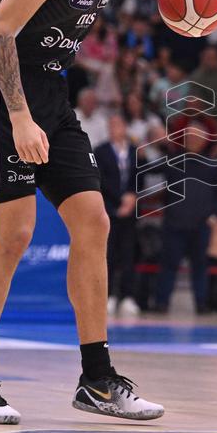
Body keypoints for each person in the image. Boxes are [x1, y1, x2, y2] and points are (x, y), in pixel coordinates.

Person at [0, 0, 214, 424]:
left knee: (94, 222)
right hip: (5, 89)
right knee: (14, 235)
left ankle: (97, 379)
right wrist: (20, 117)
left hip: (51, 89)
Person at [151, 121, 217, 314]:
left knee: (200, 266)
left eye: (197, 136)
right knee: (168, 265)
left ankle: (201, 303)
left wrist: (215, 214)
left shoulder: (211, 165)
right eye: (189, 135)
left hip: (201, 225)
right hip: (174, 223)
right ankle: (161, 302)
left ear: (204, 140)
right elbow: (149, 171)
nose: (193, 139)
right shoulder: (172, 160)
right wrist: (154, 146)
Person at [95, 114, 140, 318]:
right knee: (109, 255)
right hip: (109, 210)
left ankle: (128, 296)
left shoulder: (134, 151)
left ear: (125, 127)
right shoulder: (101, 151)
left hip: (130, 213)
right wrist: (119, 200)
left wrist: (132, 196)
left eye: (118, 124)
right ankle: (108, 296)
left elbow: (139, 176)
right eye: (111, 125)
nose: (114, 128)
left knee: (129, 254)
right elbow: (101, 180)